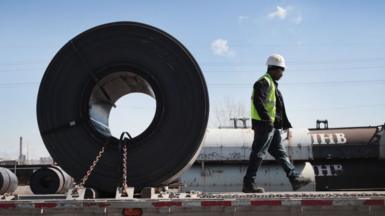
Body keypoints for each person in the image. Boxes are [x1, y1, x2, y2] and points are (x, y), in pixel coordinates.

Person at [242, 54, 311, 193]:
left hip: (271, 126)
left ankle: (294, 179)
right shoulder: (263, 82)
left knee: (280, 153)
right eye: (281, 70)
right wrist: (267, 119)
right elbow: (258, 101)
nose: (282, 73)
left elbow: (277, 107)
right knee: (258, 154)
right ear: (273, 68)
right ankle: (248, 184)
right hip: (264, 125)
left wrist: (282, 123)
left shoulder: (273, 85)